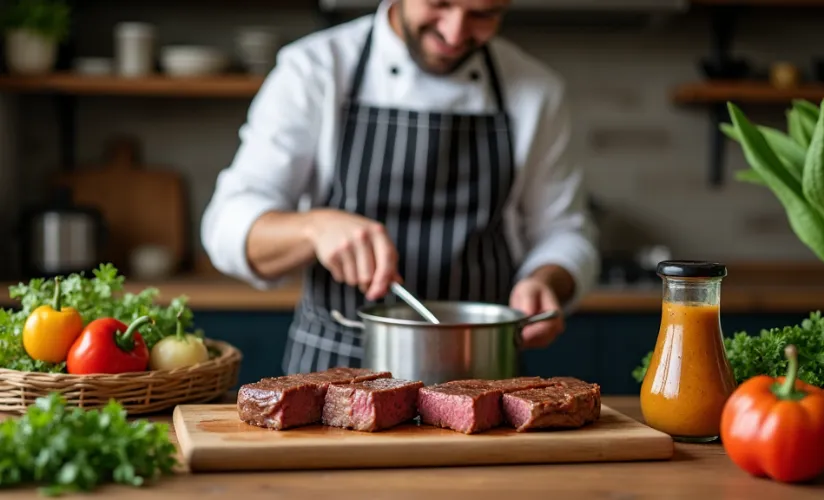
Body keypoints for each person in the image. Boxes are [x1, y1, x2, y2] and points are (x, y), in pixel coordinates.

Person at [201, 0, 600, 375]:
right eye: (440, 3)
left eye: (483, 14)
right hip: (333, 368)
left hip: (479, 371)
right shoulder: (314, 69)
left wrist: (545, 280)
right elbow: (225, 226)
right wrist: (313, 228)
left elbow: (566, 231)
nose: (455, 33)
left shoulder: (535, 90)